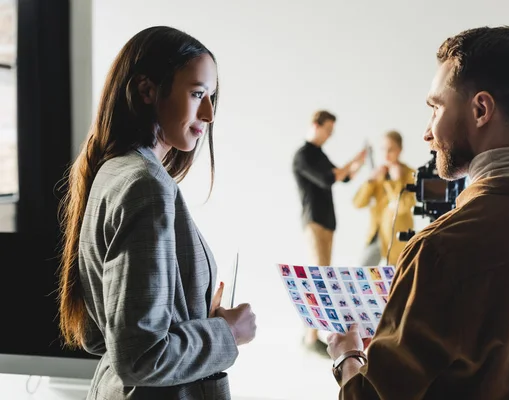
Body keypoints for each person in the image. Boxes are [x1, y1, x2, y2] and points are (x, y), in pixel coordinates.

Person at [326, 25, 509, 399]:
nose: (426, 132)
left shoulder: (440, 250)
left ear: (481, 109)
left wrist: (348, 358)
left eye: (436, 107)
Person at [57, 26, 256, 400]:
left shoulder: (111, 171)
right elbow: (141, 356)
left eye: (211, 97)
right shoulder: (145, 187)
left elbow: (96, 335)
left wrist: (190, 313)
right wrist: (228, 333)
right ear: (147, 90)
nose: (209, 113)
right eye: (198, 94)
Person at [292, 110, 366, 355]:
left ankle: (312, 335)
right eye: (328, 130)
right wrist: (350, 163)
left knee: (322, 277)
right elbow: (327, 178)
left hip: (328, 222)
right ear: (316, 125)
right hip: (314, 221)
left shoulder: (320, 154)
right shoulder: (302, 156)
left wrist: (358, 162)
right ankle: (310, 337)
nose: (329, 136)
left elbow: (343, 177)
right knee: (317, 277)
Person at [353, 130, 416, 266]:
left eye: (391, 149)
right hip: (376, 236)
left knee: (396, 281)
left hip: (398, 239)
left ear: (399, 150)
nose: (386, 154)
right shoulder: (378, 174)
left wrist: (396, 181)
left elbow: (403, 206)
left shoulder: (410, 174)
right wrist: (370, 181)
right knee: (362, 274)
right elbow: (358, 203)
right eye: (383, 149)